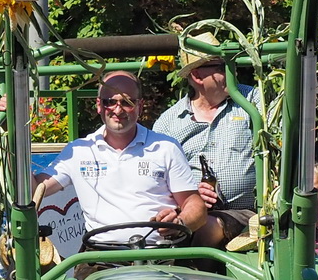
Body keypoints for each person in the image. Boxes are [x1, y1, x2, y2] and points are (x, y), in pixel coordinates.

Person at [32, 70, 207, 245]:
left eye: (127, 102)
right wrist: (10, 130)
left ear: (140, 105)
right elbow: (35, 191)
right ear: (99, 105)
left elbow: (195, 206)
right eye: (110, 102)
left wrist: (178, 222)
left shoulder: (166, 147)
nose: (118, 109)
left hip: (159, 254)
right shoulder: (79, 150)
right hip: (99, 258)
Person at [152, 37, 256, 248]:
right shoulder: (169, 122)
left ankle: (196, 275)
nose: (231, 71)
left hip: (246, 214)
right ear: (197, 75)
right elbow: (156, 181)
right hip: (187, 214)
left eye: (231, 63)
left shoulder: (252, 101)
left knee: (207, 226)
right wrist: (191, 197)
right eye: (221, 66)